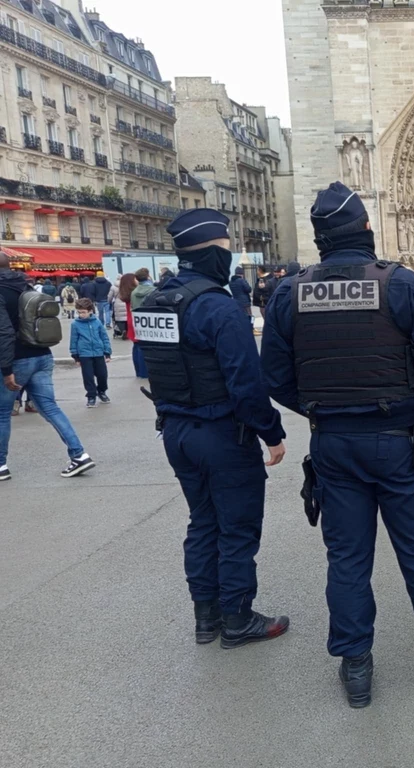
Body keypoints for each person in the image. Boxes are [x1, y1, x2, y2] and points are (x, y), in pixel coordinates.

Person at [261, 182, 414, 706]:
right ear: (366, 229)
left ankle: (357, 667)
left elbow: (275, 379)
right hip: (398, 441)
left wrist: (324, 410)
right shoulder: (401, 285)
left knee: (346, 558)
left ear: (320, 238)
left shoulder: (288, 293)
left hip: (334, 446)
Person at [137, 208, 289, 649]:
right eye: (225, 250)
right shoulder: (218, 308)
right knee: (237, 526)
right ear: (211, 253)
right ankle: (238, 617)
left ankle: (207, 617)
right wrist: (272, 433)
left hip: (176, 429)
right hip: (220, 432)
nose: (229, 258)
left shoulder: (156, 302)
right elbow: (246, 382)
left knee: (203, 521)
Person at [0, 253, 95, 481]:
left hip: (16, 358)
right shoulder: (25, 284)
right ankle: (79, 455)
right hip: (42, 353)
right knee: (50, 408)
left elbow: (4, 332)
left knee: (2, 413)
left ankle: (1, 465)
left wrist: (6, 369)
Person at [70, 298, 112, 407]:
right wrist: (75, 356)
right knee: (88, 377)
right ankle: (91, 395)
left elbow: (104, 337)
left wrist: (107, 352)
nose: (81, 315)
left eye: (83, 312)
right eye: (79, 312)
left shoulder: (97, 322)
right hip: (84, 354)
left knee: (102, 375)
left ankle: (101, 391)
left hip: (98, 353)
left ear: (90, 311)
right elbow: (73, 340)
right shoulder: (75, 324)